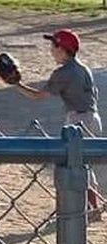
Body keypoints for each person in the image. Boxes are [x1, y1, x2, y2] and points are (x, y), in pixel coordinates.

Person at [13, 28, 104, 209]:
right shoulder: (83, 68)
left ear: (62, 49)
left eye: (53, 46)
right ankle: (94, 206)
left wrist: (16, 85)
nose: (51, 50)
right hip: (93, 118)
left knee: (76, 165)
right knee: (84, 164)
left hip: (79, 121)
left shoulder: (64, 72)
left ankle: (94, 207)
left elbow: (39, 96)